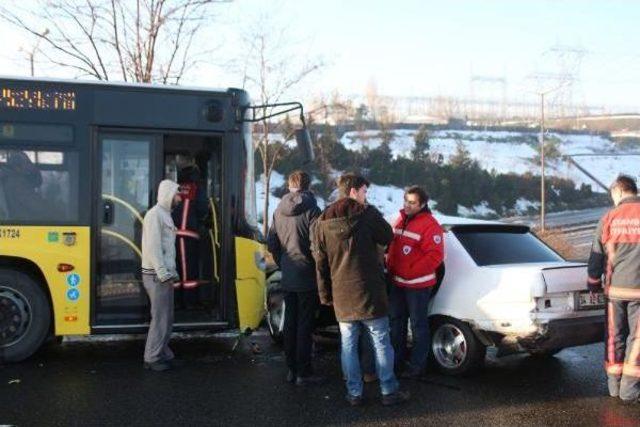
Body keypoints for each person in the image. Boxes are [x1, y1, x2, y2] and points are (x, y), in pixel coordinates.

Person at [312, 173, 409, 406]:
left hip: (342, 294)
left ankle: (354, 393)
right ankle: (388, 390)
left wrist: (325, 294)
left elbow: (320, 262)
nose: (367, 195)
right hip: (371, 293)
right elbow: (387, 236)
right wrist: (370, 211)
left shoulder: (322, 221)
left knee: (348, 345)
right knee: (381, 342)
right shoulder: (367, 214)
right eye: (365, 191)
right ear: (354, 191)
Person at [267, 170, 323, 386]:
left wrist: (284, 264)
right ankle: (304, 372)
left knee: (290, 322)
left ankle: (291, 369)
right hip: (307, 275)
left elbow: (272, 243)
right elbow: (317, 246)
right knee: (305, 325)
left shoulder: (278, 209)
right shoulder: (313, 210)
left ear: (289, 186)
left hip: (289, 274)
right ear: (308, 186)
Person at [588, 174, 640, 403]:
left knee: (614, 336)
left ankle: (614, 387)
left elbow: (596, 257)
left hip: (614, 290)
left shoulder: (608, 218)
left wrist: (593, 283)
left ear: (619, 192)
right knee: (637, 339)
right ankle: (630, 390)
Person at [387, 185, 444, 378]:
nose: (408, 205)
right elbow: (394, 247)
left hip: (418, 285)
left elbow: (435, 256)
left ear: (422, 204)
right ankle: (397, 362)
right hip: (397, 282)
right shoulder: (401, 219)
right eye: (406, 201)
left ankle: (418, 366)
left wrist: (410, 271)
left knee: (418, 325)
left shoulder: (430, 224)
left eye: (412, 202)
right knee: (396, 323)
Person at [141, 179, 182, 372]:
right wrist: (163, 272)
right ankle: (152, 357)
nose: (179, 198)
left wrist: (170, 272)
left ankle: (163, 352)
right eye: (177, 194)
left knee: (167, 316)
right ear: (168, 195)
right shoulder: (154, 215)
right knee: (160, 317)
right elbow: (153, 248)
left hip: (164, 274)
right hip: (157, 275)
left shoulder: (165, 215)